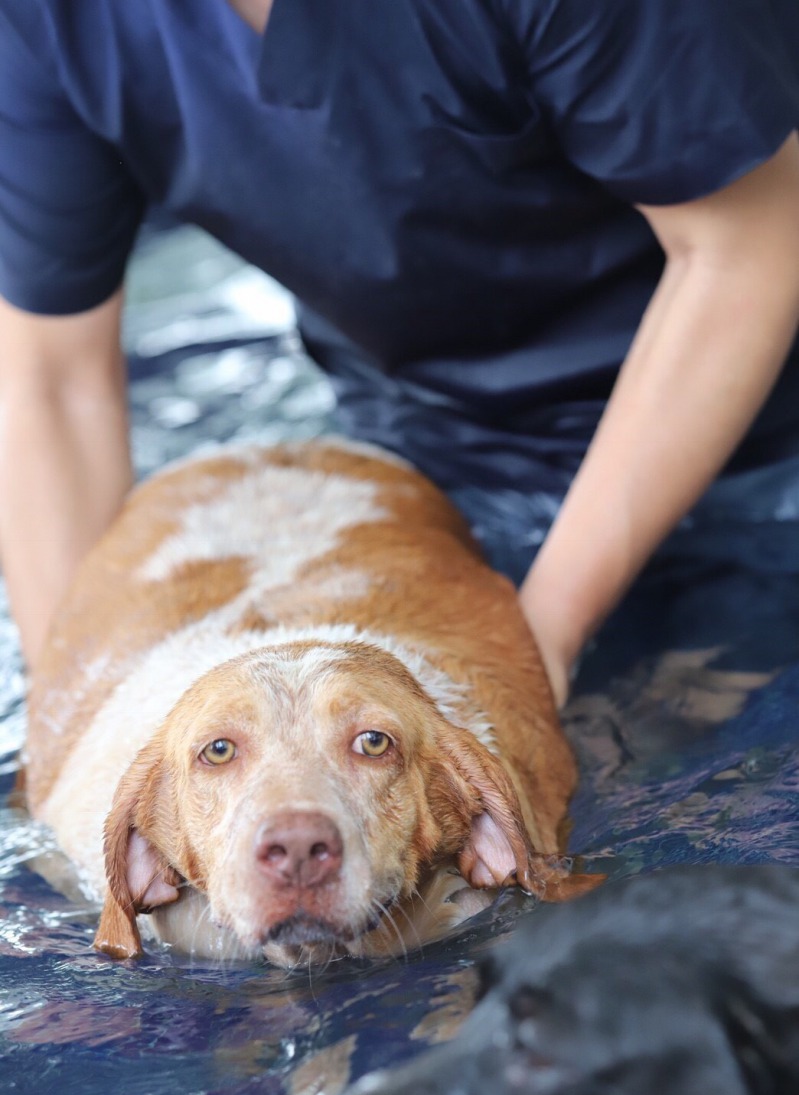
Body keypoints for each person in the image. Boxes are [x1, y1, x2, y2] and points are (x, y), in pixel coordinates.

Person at [0, 0, 798, 707]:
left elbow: (747, 250)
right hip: (427, 436)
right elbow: (51, 378)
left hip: (759, 436)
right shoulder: (52, 21)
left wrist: (539, 639)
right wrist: (71, 717)